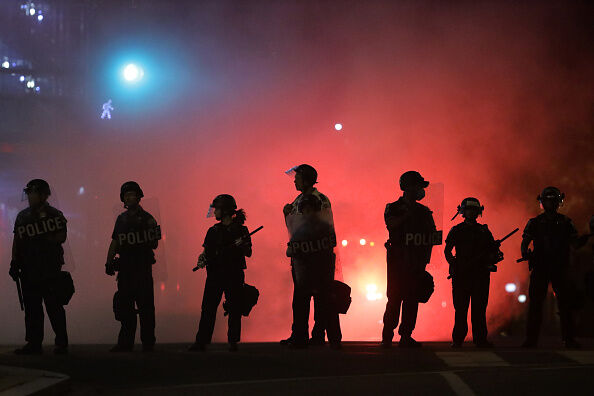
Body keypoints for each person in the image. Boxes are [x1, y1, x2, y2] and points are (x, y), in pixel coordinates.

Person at [521, 186, 592, 348]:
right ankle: (531, 340)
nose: (550, 203)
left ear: (557, 202)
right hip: (542, 267)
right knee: (536, 305)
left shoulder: (566, 222)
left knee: (564, 305)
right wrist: (525, 252)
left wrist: (586, 237)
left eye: (552, 200)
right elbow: (525, 243)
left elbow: (575, 244)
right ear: (543, 202)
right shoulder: (535, 223)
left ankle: (568, 339)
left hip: (560, 268)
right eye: (548, 200)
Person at [10, 179, 69, 355]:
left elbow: (62, 237)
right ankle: (34, 343)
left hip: (49, 267)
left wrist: (44, 240)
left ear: (43, 195)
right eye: (28, 193)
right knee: (32, 307)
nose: (30, 196)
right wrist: (14, 262)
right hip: (29, 268)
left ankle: (61, 342)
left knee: (53, 305)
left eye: (33, 193)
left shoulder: (54, 214)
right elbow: (17, 241)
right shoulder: (23, 216)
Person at [189, 194, 252, 352]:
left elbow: (249, 252)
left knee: (234, 307)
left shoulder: (241, 230)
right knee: (208, 308)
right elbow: (205, 251)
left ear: (225, 210)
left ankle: (233, 341)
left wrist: (241, 244)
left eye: (216, 208)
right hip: (215, 274)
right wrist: (202, 259)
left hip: (233, 273)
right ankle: (201, 341)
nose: (214, 212)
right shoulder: (213, 231)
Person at [382, 171, 437, 348]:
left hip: (417, 261)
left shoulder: (424, 211)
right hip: (398, 261)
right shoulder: (393, 207)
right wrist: (409, 213)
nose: (421, 190)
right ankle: (387, 336)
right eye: (419, 186)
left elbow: (433, 235)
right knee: (395, 298)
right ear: (408, 187)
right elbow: (391, 225)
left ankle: (406, 335)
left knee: (412, 298)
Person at [282, 164, 335, 346]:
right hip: (308, 256)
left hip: (314, 256)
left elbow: (313, 227)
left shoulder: (314, 199)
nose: (295, 180)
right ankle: (308, 334)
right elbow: (297, 228)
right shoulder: (303, 199)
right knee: (308, 297)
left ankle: (309, 335)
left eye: (297, 177)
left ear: (306, 179)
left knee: (311, 297)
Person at [106, 181, 161, 352]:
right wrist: (108, 261)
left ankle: (148, 343)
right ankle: (125, 343)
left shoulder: (148, 219)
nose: (129, 198)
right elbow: (115, 242)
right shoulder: (121, 219)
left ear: (138, 197)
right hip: (125, 270)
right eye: (126, 195)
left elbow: (155, 243)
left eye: (132, 194)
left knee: (146, 308)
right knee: (125, 308)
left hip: (142, 269)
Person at [286, 194, 342, 349]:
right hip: (311, 271)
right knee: (305, 305)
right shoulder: (324, 227)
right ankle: (306, 337)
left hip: (315, 272)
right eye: (304, 210)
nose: (306, 213)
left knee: (322, 305)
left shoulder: (317, 228)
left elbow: (290, 251)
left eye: (308, 210)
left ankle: (322, 337)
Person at [445, 197, 500, 348]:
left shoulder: (484, 231)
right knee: (461, 309)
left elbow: (495, 253)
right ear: (463, 211)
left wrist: (493, 255)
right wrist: (454, 264)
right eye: (469, 210)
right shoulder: (456, 230)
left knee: (479, 309)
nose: (472, 213)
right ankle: (458, 340)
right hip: (462, 275)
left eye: (474, 210)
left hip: (480, 276)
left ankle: (480, 339)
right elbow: (447, 250)